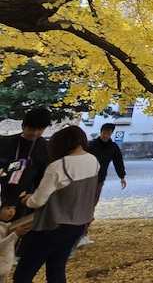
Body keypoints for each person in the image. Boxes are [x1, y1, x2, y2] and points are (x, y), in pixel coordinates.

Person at [12, 125, 100, 283]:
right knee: (56, 269)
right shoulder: (93, 160)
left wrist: (27, 199)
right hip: (78, 225)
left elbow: (38, 201)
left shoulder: (59, 166)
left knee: (24, 273)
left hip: (52, 226)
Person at [0, 107, 52, 220]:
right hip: (3, 193)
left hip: (26, 198)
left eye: (40, 129)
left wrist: (34, 194)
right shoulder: (5, 143)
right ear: (23, 126)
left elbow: (43, 177)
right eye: (31, 129)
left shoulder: (45, 148)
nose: (35, 133)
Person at [81, 123, 127, 246]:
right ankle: (78, 233)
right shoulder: (91, 145)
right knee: (82, 204)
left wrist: (122, 176)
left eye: (108, 133)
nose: (106, 135)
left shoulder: (113, 147)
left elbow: (118, 162)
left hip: (99, 179)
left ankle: (84, 233)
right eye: (104, 132)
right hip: (85, 178)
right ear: (101, 132)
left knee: (92, 205)